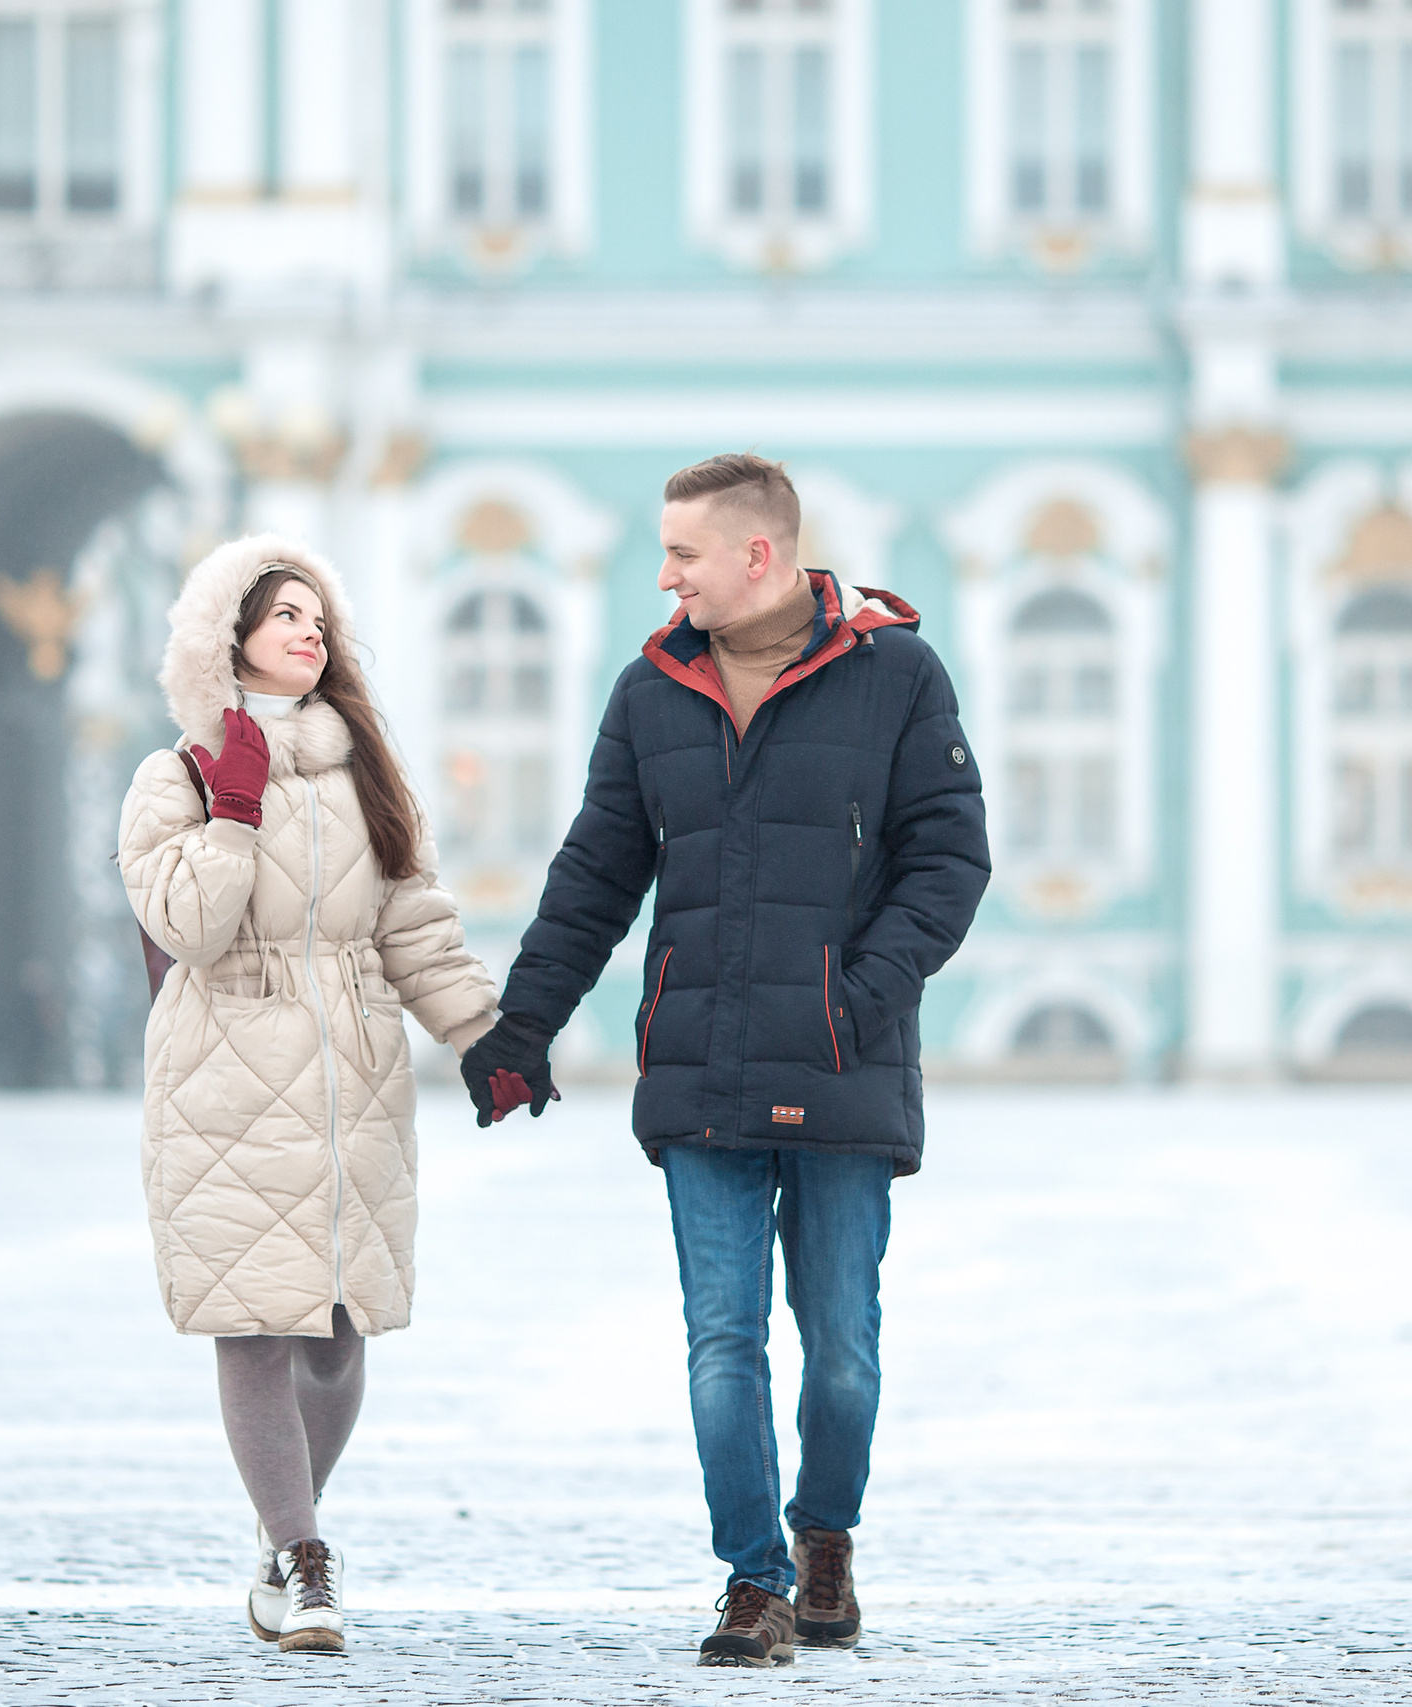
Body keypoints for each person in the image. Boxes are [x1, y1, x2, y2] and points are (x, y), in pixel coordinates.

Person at [461, 453, 989, 1666]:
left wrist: (857, 998)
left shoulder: (897, 675)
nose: (665, 576)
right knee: (721, 1339)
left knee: (843, 1349)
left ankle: (825, 1541)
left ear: (759, 555)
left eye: (684, 554)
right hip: (698, 1068)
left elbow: (948, 862)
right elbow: (595, 876)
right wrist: (523, 1026)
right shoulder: (652, 692)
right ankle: (752, 1582)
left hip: (845, 1067)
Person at [119, 535, 500, 1655]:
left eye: (317, 618)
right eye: (283, 615)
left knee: (336, 1333)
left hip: (354, 1072)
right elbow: (186, 928)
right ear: (225, 638)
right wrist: (232, 812)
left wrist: (483, 1037)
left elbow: (412, 924)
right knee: (255, 1325)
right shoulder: (173, 778)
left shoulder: (367, 771)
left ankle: (285, 1531)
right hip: (226, 1070)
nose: (308, 632)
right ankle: (302, 1555)